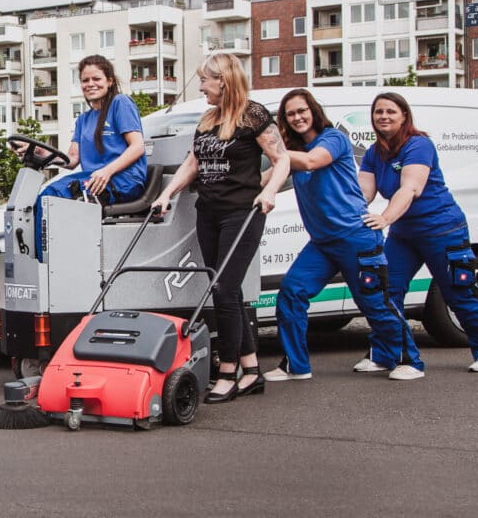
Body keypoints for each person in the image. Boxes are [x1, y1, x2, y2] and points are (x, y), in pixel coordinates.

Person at [151, 54, 288, 404]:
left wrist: (270, 191)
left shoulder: (253, 114)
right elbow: (193, 163)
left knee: (225, 289)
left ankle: (228, 371)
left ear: (223, 80)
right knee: (225, 290)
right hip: (208, 212)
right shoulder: (208, 118)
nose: (200, 87)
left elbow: (282, 159)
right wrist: (167, 194)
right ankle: (251, 370)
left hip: (242, 212)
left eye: (204, 80)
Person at [265, 89, 422, 382]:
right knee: (291, 292)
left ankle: (408, 359)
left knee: (374, 302)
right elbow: (265, 178)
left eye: (302, 111)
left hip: (355, 237)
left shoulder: (333, 139)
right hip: (322, 243)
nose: (297, 117)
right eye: (290, 114)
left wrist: (269, 146)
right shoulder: (291, 153)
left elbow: (312, 161)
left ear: (313, 111)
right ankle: (296, 366)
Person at [358, 91, 478, 374]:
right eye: (378, 112)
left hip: (442, 229)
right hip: (404, 234)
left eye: (390, 111)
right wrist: (345, 213)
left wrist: (385, 218)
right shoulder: (374, 153)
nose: (383, 116)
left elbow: (410, 188)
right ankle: (388, 354)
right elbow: (363, 192)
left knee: (458, 292)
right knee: (383, 291)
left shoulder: (418, 145)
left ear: (404, 116)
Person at [28, 55, 147, 259]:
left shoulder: (120, 104)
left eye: (96, 79)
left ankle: (48, 263)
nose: (90, 84)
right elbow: (72, 160)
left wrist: (107, 171)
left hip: (123, 180)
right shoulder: (83, 119)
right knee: (40, 198)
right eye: (85, 80)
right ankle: (46, 260)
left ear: (109, 81)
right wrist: (40, 153)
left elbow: (138, 146)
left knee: (53, 196)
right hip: (94, 179)